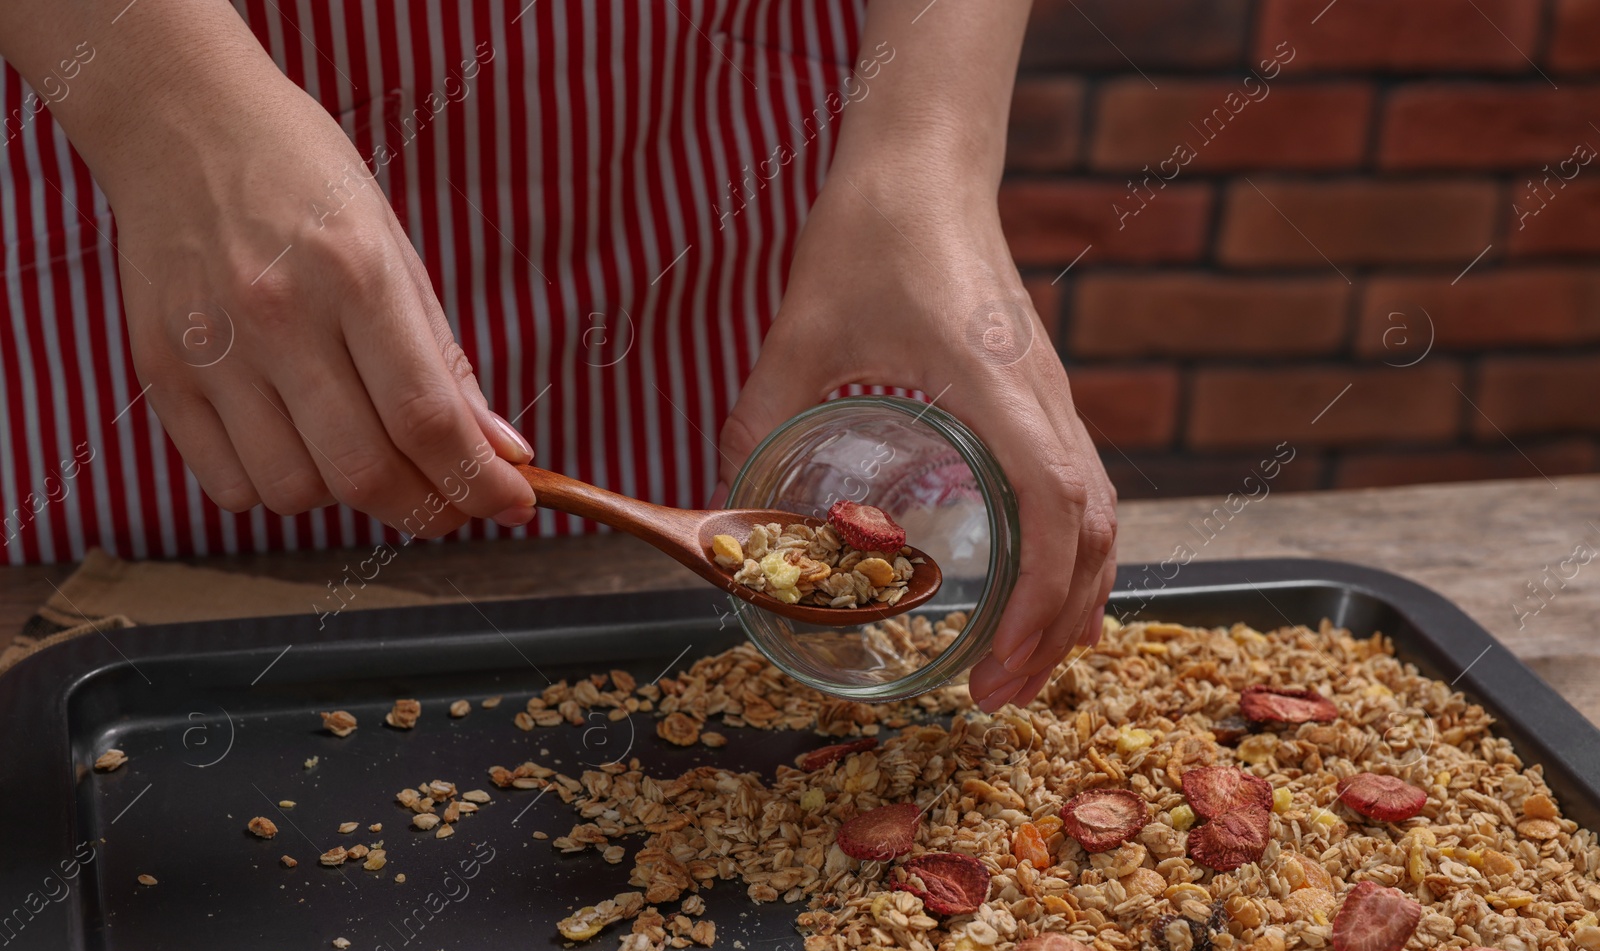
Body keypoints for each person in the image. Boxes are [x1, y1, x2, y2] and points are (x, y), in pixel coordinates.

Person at [0, 0, 1116, 712]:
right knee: (130, 697)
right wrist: (167, 103)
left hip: (698, 143)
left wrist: (930, 149)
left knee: (693, 675)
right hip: (162, 151)